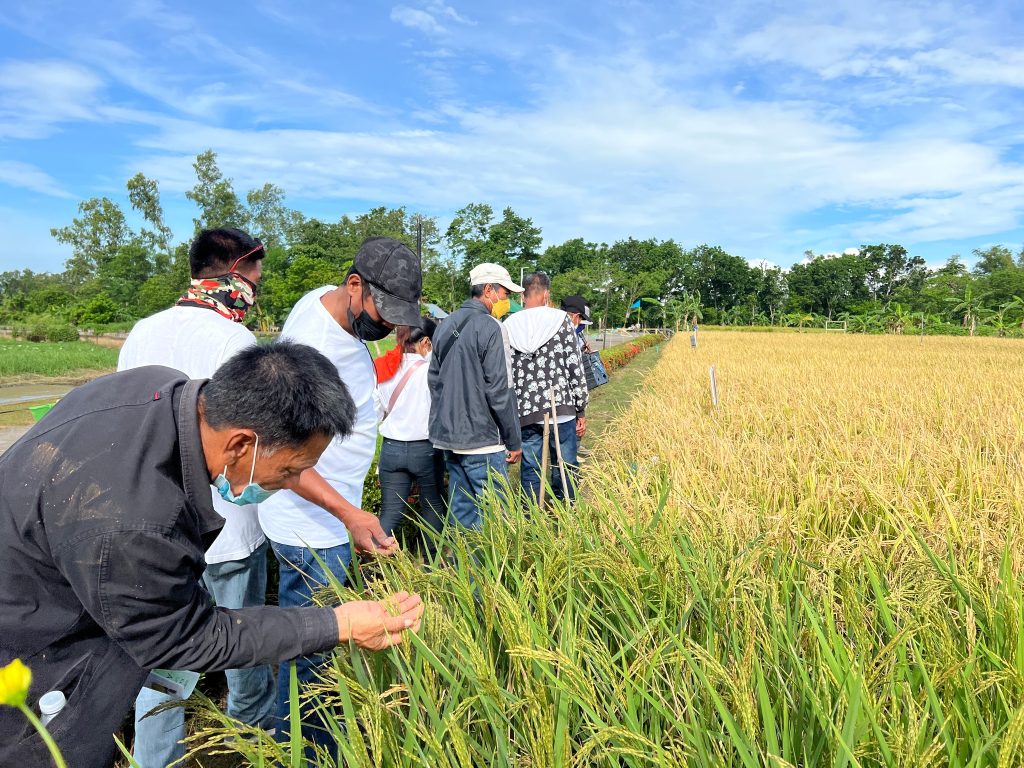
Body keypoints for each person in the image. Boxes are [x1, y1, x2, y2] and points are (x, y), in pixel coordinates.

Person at [0, 343, 424, 768]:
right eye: (291, 471)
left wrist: (345, 511)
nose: (293, 481)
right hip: (34, 660)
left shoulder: (157, 386)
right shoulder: (137, 525)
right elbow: (187, 637)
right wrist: (338, 623)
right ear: (241, 444)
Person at [256, 236, 422, 750]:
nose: (390, 326)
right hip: (313, 525)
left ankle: (296, 736)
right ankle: (306, 751)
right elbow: (282, 462)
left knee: (312, 639)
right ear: (354, 285)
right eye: (383, 310)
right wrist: (350, 513)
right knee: (315, 653)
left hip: (323, 517)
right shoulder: (313, 353)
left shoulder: (320, 302)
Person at [117, 227, 275, 767]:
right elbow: (255, 445)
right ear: (235, 273)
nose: (257, 287)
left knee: (163, 668)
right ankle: (245, 749)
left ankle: (155, 760)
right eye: (254, 274)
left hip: (157, 528)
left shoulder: (142, 331)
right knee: (243, 649)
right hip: (230, 529)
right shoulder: (236, 342)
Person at [428, 263, 523, 530]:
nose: (507, 300)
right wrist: (513, 440)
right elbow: (500, 389)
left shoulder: (445, 324)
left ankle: (464, 570)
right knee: (495, 520)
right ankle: (490, 572)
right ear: (489, 290)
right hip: (483, 440)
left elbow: (434, 381)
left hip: (450, 438)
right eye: (505, 294)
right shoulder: (492, 327)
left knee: (462, 513)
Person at [504, 273, 589, 504]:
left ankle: (532, 514)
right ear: (546, 294)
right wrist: (580, 408)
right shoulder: (561, 320)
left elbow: (507, 373)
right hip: (560, 407)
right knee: (565, 464)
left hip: (527, 411)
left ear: (522, 295)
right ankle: (566, 509)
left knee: (531, 467)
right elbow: (574, 366)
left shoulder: (509, 324)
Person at [373, 317, 446, 558]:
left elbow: (376, 410)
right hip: (425, 449)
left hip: (391, 449)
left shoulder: (385, 366)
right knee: (432, 506)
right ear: (426, 342)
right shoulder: (431, 371)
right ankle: (431, 564)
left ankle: (373, 562)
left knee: (390, 513)